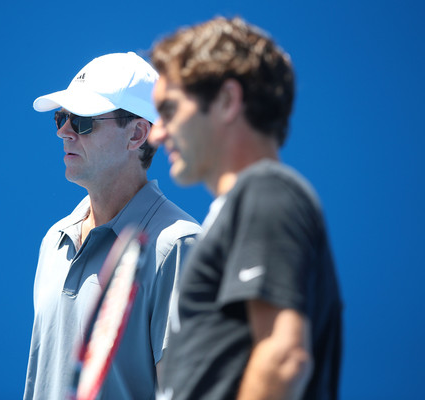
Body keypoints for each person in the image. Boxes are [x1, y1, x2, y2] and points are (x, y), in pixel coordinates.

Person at [148, 17, 343, 400]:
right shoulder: (246, 202)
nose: (157, 133)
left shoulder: (266, 191)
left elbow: (282, 357)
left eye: (169, 110)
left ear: (227, 101)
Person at [23, 52, 201, 400]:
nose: (63, 131)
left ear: (137, 134)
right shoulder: (54, 241)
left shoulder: (179, 245)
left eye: (83, 120)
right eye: (62, 117)